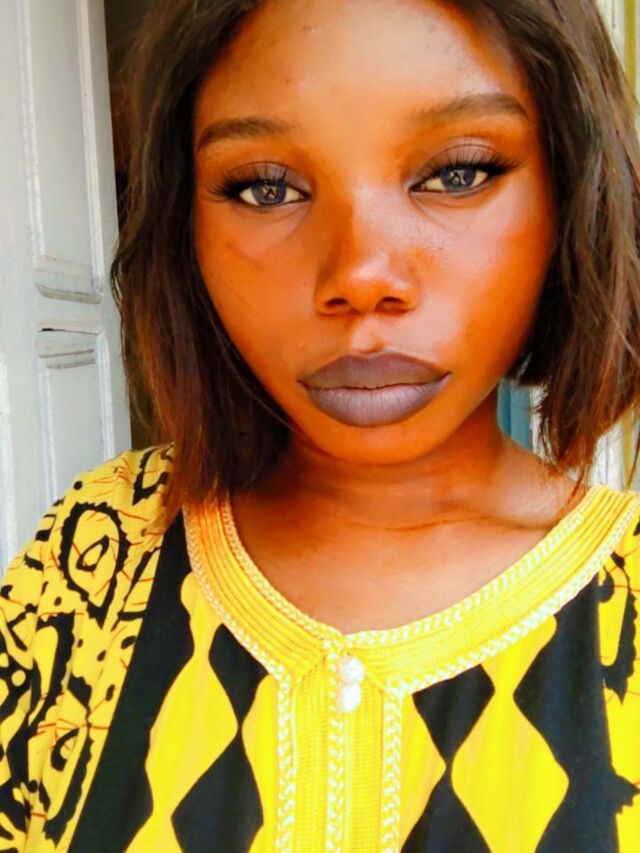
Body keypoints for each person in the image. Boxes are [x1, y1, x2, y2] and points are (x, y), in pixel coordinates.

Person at [2, 0, 640, 849]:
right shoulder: (95, 553)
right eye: (266, 187)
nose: (360, 274)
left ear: (573, 185)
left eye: (457, 172)